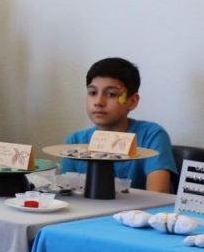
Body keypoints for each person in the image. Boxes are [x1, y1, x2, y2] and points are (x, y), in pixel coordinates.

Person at [58, 58, 176, 193]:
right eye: (93, 93)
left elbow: (158, 193)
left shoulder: (152, 136)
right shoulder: (76, 141)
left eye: (111, 94)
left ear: (132, 101)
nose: (98, 102)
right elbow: (66, 193)